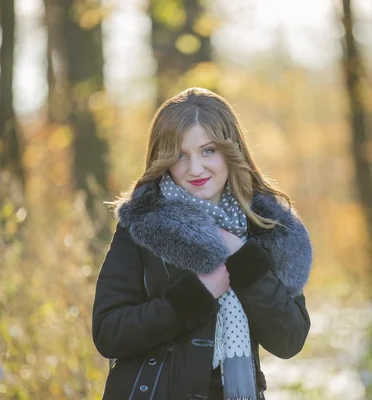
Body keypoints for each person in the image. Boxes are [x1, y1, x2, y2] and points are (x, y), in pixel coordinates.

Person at [92, 87, 312, 400]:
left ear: (231, 150)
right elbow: (108, 333)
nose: (195, 169)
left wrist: (243, 259)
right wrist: (196, 295)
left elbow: (289, 340)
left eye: (208, 150)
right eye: (181, 155)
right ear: (163, 159)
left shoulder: (267, 228)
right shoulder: (142, 224)